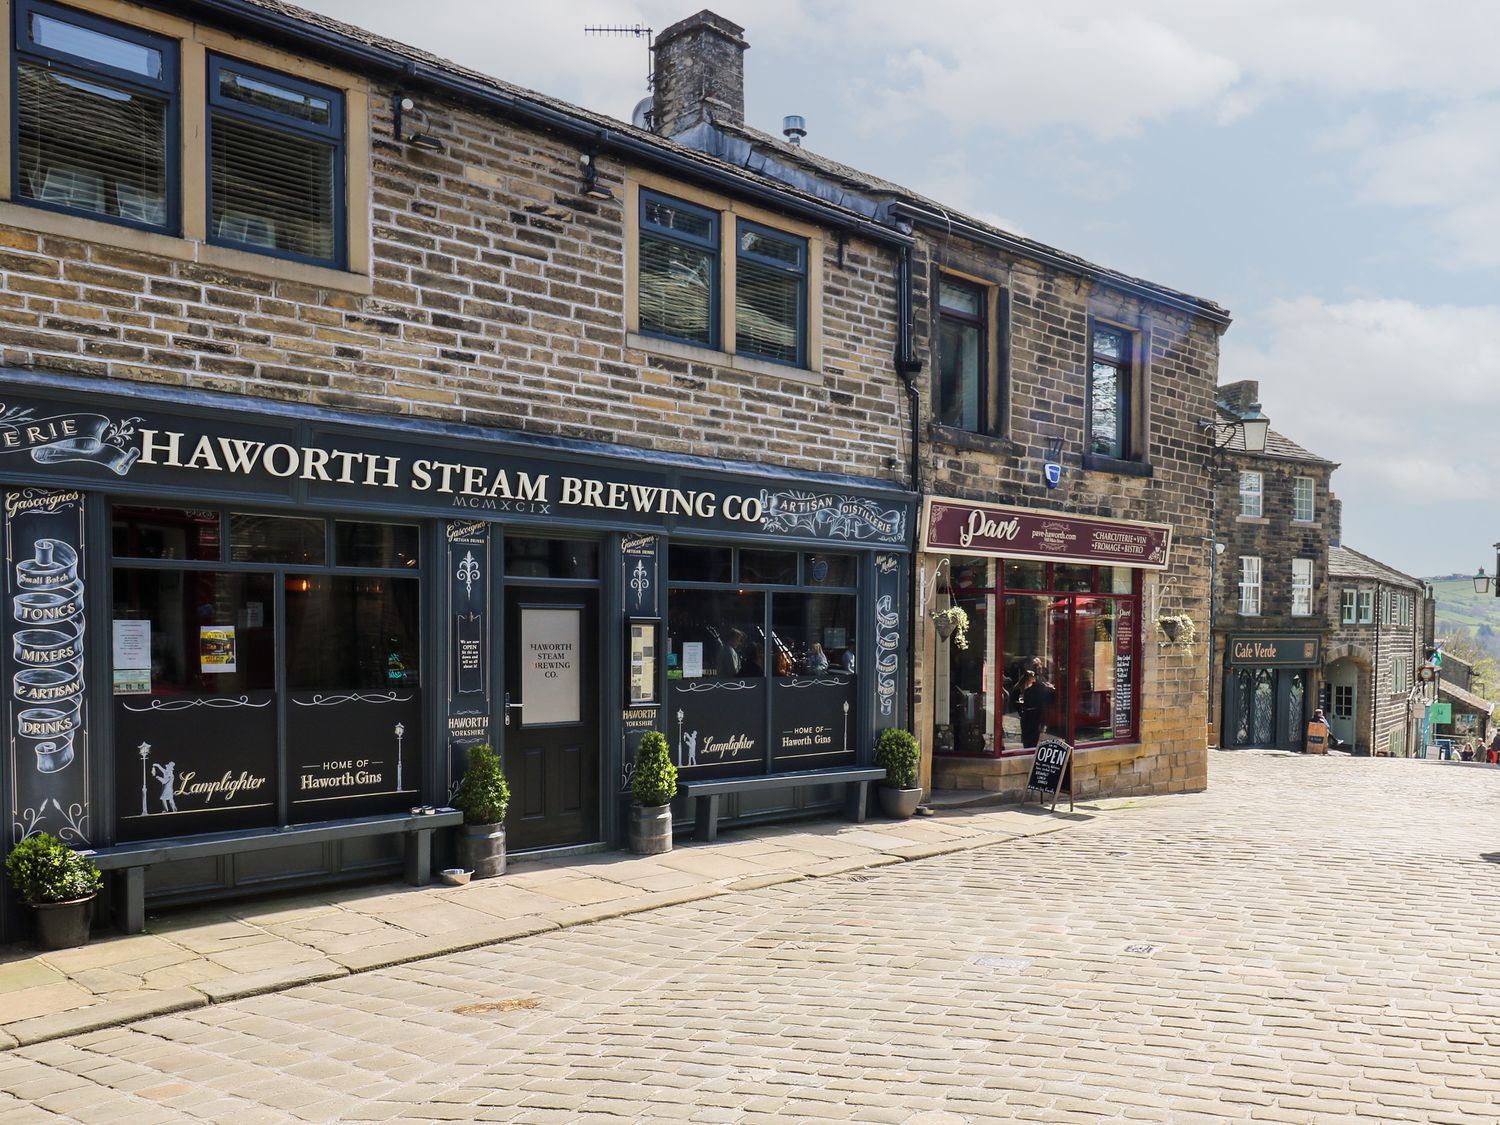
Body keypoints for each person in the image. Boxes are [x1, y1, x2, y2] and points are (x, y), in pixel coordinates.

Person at [1017, 657, 1055, 748]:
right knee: (1029, 737)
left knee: (1036, 735)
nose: (1038, 667)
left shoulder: (1042, 679)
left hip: (1039, 711)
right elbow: (1022, 692)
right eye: (1035, 665)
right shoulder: (1027, 679)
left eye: (1039, 665)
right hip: (1030, 712)